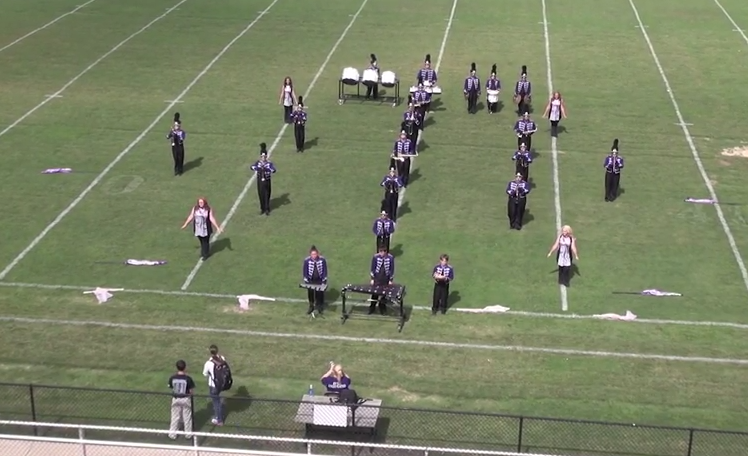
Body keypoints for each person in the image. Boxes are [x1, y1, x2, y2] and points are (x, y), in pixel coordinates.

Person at [168, 360, 195, 440]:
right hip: (186, 398)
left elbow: (171, 387)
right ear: (185, 367)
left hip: (176, 398)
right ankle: (188, 434)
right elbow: (191, 391)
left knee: (175, 416)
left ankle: (172, 434)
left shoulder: (172, 378)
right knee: (187, 417)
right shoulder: (188, 379)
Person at [202, 345, 229, 426]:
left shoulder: (208, 363)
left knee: (216, 402)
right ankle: (219, 415)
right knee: (217, 400)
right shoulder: (222, 358)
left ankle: (219, 419)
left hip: (213, 385)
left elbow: (204, 374)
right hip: (221, 384)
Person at [250, 143, 277, 215]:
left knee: (267, 194)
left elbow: (273, 170)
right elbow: (252, 167)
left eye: (265, 157)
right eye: (262, 157)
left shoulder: (269, 163)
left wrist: (267, 169)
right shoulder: (258, 163)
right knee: (261, 194)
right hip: (260, 180)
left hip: (267, 180)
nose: (263, 158)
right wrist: (258, 168)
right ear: (260, 157)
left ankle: (267, 208)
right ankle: (262, 208)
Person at [369, 246, 395, 315]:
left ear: (385, 252)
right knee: (375, 293)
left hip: (385, 278)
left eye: (382, 251)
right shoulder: (375, 257)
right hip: (377, 278)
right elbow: (372, 268)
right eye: (380, 251)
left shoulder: (390, 258)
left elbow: (392, 270)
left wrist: (390, 280)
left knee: (384, 294)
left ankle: (382, 307)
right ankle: (372, 307)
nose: (381, 253)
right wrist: (372, 279)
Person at [302, 245, 328, 315]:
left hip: (319, 280)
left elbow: (325, 270)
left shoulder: (322, 260)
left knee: (319, 293)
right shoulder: (307, 260)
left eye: (315, 254)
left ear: (317, 254)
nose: (314, 255)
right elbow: (305, 270)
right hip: (310, 280)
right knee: (310, 293)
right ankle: (311, 306)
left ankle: (319, 307)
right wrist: (306, 279)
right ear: (310, 254)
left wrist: (324, 279)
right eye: (312, 254)